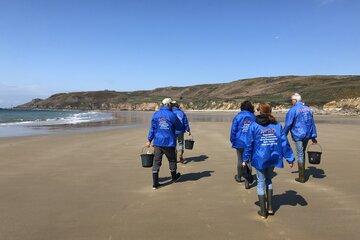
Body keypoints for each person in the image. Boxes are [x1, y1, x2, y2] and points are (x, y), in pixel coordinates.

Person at [243, 103, 295, 219]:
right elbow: (284, 143)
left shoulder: (254, 125)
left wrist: (245, 159)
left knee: (261, 181)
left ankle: (263, 211)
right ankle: (270, 208)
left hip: (259, 158)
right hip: (273, 157)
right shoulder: (276, 125)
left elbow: (249, 144)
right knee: (269, 179)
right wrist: (290, 158)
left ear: (259, 112)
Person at [145, 98, 184, 189]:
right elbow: (180, 127)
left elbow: (153, 129)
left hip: (158, 142)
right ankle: (174, 178)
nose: (172, 106)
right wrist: (174, 134)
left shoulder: (156, 114)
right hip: (169, 142)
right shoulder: (172, 115)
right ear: (169, 104)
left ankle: (155, 184)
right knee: (172, 160)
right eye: (171, 104)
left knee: (156, 162)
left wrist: (149, 140)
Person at [283, 93, 318, 183]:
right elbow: (312, 123)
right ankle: (302, 174)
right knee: (302, 153)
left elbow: (288, 124)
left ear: (295, 100)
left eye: (291, 100)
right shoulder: (308, 109)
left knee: (300, 154)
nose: (291, 102)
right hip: (307, 135)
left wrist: (283, 134)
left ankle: (301, 176)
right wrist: (313, 136)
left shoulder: (293, 110)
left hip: (298, 135)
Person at [230, 100, 256, 189]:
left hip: (239, 141)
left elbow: (234, 129)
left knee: (240, 159)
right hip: (250, 141)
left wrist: (232, 139)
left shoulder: (238, 116)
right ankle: (247, 180)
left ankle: (239, 176)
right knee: (248, 160)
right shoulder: (253, 117)